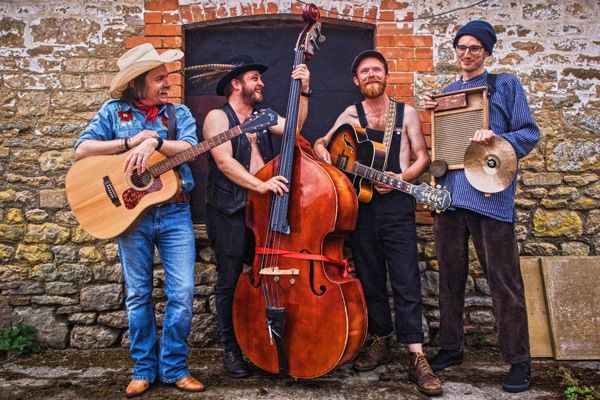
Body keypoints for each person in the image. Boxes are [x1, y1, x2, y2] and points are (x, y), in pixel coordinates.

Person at [74, 43, 204, 397]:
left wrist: (156, 142)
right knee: (138, 294)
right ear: (137, 83)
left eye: (167, 77)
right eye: (159, 78)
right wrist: (132, 141)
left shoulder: (178, 114)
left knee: (183, 292)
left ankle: (175, 367)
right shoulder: (113, 112)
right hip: (131, 216)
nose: (167, 84)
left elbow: (192, 148)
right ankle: (144, 369)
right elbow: (82, 150)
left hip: (175, 211)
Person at [313, 50, 442, 396]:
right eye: (364, 71)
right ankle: (380, 340)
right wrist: (323, 147)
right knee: (369, 276)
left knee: (405, 278)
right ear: (356, 80)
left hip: (398, 203)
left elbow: (423, 157)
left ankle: (416, 354)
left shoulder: (407, 113)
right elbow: (322, 142)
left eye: (377, 70)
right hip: (360, 207)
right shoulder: (350, 114)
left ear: (386, 76)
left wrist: (402, 177)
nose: (371, 75)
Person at [422, 20, 540, 393]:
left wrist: (496, 136)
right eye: (461, 47)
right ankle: (451, 347)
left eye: (475, 48)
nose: (467, 54)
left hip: (491, 199)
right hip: (451, 199)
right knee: (450, 280)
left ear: (487, 52)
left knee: (504, 284)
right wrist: (434, 110)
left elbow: (528, 133)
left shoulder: (504, 85)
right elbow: (444, 146)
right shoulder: (447, 92)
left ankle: (518, 361)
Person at [202, 55, 310, 378]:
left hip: (261, 212)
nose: (261, 83)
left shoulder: (262, 116)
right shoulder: (216, 118)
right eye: (254, 78)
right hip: (229, 210)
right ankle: (231, 349)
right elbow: (224, 162)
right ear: (236, 84)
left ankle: (264, 343)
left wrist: (303, 91)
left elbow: (293, 129)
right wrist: (260, 185)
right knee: (230, 279)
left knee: (269, 275)